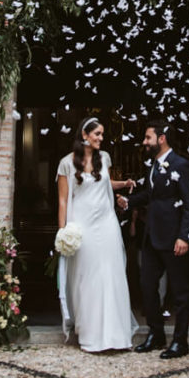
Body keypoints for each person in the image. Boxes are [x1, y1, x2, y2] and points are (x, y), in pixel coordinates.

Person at [56, 117, 137, 352]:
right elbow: (62, 200)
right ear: (85, 135)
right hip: (83, 226)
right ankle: (91, 334)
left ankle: (116, 335)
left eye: (102, 134)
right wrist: (62, 232)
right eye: (97, 134)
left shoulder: (104, 158)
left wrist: (122, 185)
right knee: (88, 277)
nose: (101, 138)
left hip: (106, 223)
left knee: (111, 275)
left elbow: (103, 183)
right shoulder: (66, 164)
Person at [125, 120, 189, 359]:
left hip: (174, 237)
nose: (144, 142)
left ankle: (180, 342)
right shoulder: (153, 165)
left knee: (179, 292)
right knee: (147, 287)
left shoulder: (182, 165)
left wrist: (184, 236)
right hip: (152, 236)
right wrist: (129, 201)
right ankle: (156, 335)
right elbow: (151, 195)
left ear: (162, 138)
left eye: (148, 138)